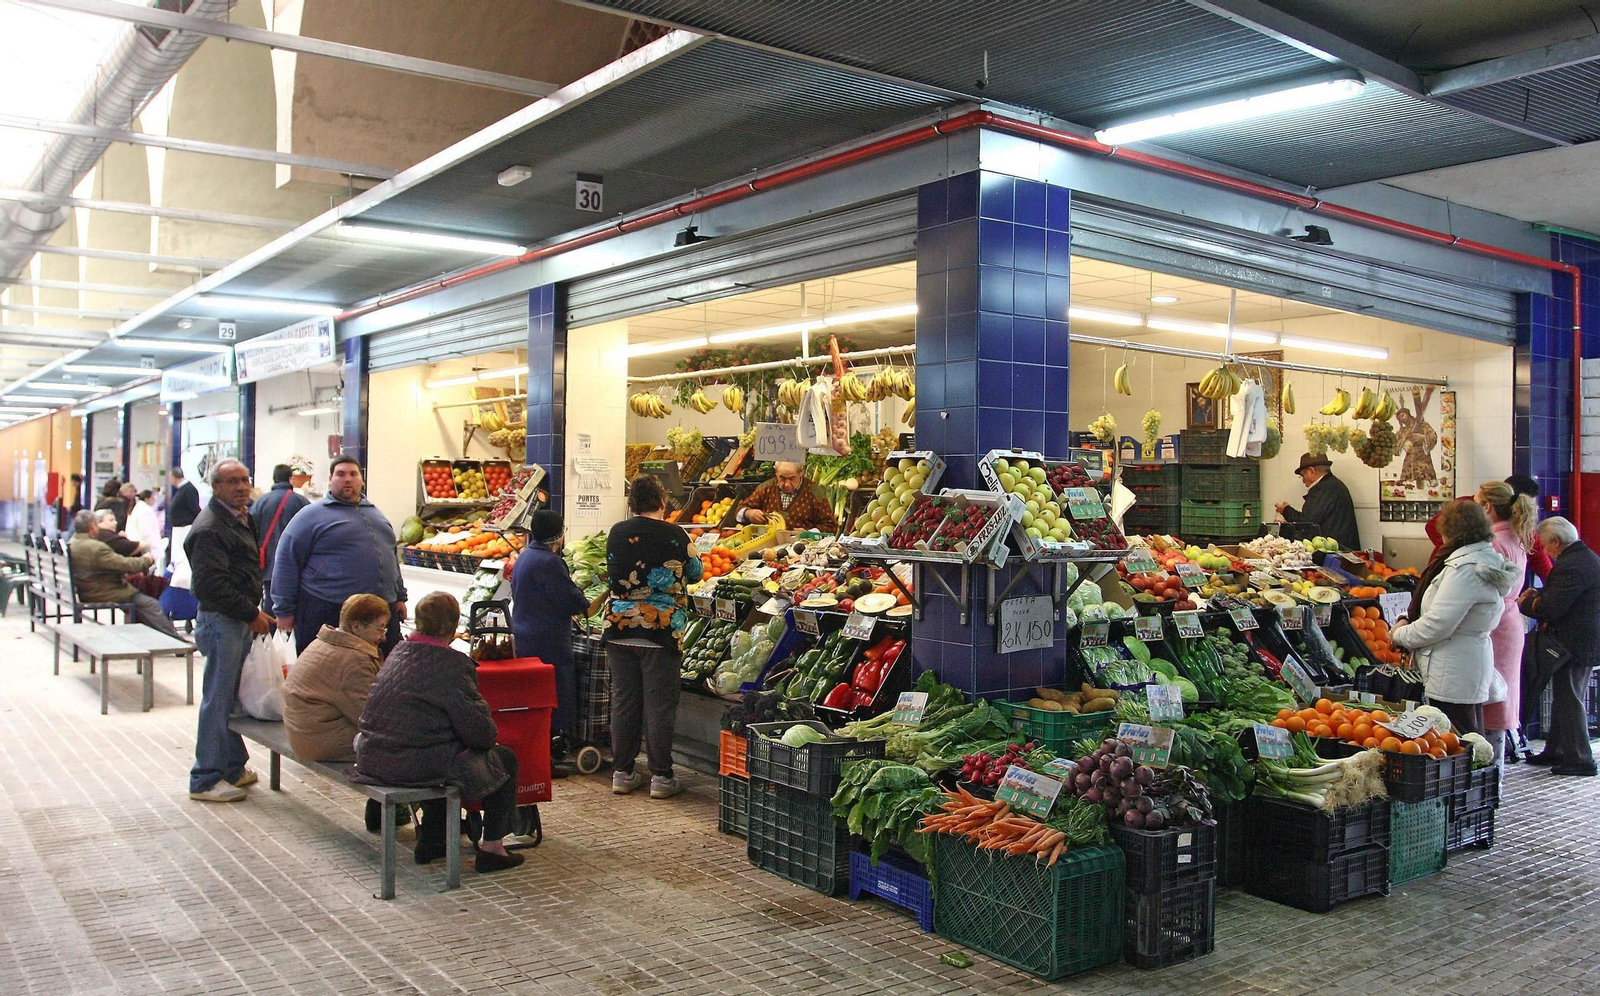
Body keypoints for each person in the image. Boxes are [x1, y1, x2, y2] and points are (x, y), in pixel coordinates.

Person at [355, 592, 525, 873]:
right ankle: (493, 847)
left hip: (373, 754)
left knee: (437, 748)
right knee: (503, 758)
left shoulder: (397, 652)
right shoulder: (452, 664)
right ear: (453, 626)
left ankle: (433, 839)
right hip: (411, 764)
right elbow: (481, 734)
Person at [604, 474, 702, 799]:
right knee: (659, 706)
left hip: (619, 628)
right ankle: (661, 777)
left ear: (631, 504)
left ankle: (622, 772)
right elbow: (695, 572)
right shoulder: (675, 534)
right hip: (660, 630)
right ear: (662, 502)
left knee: (624, 702)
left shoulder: (617, 532)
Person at [185, 460, 275, 804]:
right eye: (232, 482)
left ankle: (232, 767)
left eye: (245, 480)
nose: (241, 487)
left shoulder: (241, 517)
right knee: (217, 700)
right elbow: (210, 586)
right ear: (215, 487)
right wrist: (250, 612)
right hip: (222, 622)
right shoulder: (210, 528)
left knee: (231, 698)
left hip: (236, 620)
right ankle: (205, 778)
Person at [1389, 501, 1519, 736]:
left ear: (1450, 532)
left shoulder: (1465, 569)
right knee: (1467, 739)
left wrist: (1399, 635)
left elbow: (1438, 623)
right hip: (1461, 666)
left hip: (1453, 670)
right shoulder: (1480, 559)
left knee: (1459, 742)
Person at [282, 594, 399, 832]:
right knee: (404, 747)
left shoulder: (328, 641)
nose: (383, 636)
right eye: (380, 628)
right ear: (356, 627)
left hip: (303, 728)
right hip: (319, 738)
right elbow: (370, 718)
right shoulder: (354, 660)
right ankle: (392, 813)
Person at [272, 455, 407, 657]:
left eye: (353, 474)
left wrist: (399, 597)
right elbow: (285, 561)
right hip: (327, 610)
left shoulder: (376, 515)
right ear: (330, 479)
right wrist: (284, 610)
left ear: (361, 480)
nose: (347, 479)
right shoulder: (310, 516)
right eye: (341, 474)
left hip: (381, 611)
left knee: (379, 673)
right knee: (327, 675)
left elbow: (390, 557)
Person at [1517, 517, 1600, 777]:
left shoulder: (1572, 565)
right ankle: (1557, 750)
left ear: (1556, 541)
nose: (1544, 551)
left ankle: (1580, 759)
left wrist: (1527, 603)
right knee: (1563, 697)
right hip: (1582, 640)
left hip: (1573, 642)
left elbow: (1553, 606)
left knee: (1570, 697)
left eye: (1545, 544)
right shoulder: (1585, 558)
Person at [511, 510, 594, 759]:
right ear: (558, 535)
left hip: (525, 636)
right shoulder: (550, 562)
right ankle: (546, 754)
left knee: (533, 698)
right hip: (548, 642)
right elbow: (570, 600)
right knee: (552, 697)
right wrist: (584, 600)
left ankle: (537, 750)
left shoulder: (525, 556)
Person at [1474, 481, 1536, 764]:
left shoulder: (1495, 543)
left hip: (1496, 624)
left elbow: (1483, 589)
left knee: (1491, 698)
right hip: (1509, 623)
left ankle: (1490, 772)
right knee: (1501, 695)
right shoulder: (1515, 536)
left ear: (1487, 506)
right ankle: (1494, 772)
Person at [66, 509, 182, 638]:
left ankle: (148, 635)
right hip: (102, 591)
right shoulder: (95, 547)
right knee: (150, 604)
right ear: (92, 526)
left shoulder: (73, 542)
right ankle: (175, 641)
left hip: (88, 587)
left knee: (141, 597)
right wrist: (146, 560)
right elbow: (125, 565)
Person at [1425, 475, 1553, 582]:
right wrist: (1456, 549)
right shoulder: (1465, 506)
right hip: (1445, 571)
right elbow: (1432, 527)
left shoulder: (1517, 534)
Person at [249, 464, 311, 612]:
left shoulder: (260, 503)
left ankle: (271, 632)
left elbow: (250, 531)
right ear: (291, 479)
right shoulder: (301, 502)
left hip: (267, 561)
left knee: (270, 601)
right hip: (297, 563)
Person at [1275, 452, 1360, 551]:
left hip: (1336, 552)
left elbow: (1307, 522)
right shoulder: (1333, 486)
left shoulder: (1324, 489)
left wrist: (1286, 510)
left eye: (1303, 476)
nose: (1303, 481)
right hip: (1340, 548)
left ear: (1311, 471)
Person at [736, 461, 838, 531]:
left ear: (801, 472)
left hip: (801, 548)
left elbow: (830, 526)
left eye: (792, 478)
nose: (787, 484)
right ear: (775, 471)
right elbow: (739, 509)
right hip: (767, 545)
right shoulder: (765, 488)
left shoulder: (815, 492)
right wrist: (748, 513)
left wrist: (808, 533)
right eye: (782, 478)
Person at [126, 490, 160, 560]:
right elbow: (147, 531)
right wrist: (153, 546)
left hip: (137, 543)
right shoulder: (145, 511)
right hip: (143, 546)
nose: (154, 500)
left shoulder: (139, 507)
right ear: (147, 499)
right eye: (152, 498)